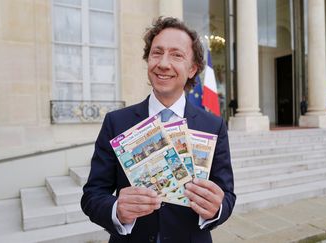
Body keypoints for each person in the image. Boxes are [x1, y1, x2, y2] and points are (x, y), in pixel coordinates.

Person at [81, 16, 236, 243]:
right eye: (157, 52)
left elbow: (227, 195)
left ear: (192, 69)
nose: (163, 63)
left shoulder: (213, 126)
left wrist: (217, 208)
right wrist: (117, 210)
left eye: (176, 55)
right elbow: (92, 196)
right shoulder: (116, 122)